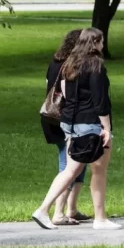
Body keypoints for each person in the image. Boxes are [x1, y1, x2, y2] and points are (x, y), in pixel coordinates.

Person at [31, 27, 119, 230]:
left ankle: (43, 209)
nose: (103, 45)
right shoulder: (96, 65)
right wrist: (106, 128)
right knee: (99, 170)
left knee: (70, 170)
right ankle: (100, 219)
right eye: (101, 41)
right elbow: (100, 101)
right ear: (95, 42)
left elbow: (62, 90)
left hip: (70, 122)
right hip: (90, 124)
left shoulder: (70, 64)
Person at [44, 29, 88, 225]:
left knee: (80, 163)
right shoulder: (71, 66)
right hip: (67, 118)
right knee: (68, 165)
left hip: (52, 116)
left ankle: (71, 208)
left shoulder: (55, 62)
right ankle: (58, 212)